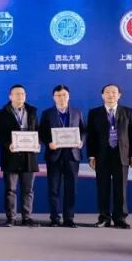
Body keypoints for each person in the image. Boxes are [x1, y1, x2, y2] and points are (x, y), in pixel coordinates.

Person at [87, 83, 132, 229]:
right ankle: (104, 218)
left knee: (120, 188)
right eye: (108, 92)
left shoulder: (128, 112)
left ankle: (120, 218)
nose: (111, 95)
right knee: (102, 187)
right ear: (102, 95)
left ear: (119, 95)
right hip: (101, 155)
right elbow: (91, 136)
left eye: (114, 92)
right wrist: (91, 156)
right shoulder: (94, 113)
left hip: (121, 154)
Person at [38, 85, 86, 228]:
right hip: (54, 155)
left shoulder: (77, 112)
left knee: (71, 189)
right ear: (53, 98)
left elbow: (83, 130)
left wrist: (81, 141)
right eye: (58, 95)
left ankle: (69, 218)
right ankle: (54, 218)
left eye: (64, 95)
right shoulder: (47, 113)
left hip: (72, 155)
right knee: (53, 189)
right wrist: (48, 143)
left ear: (69, 96)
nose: (61, 98)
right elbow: (42, 132)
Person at [0, 85, 39, 227]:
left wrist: (37, 143)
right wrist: (8, 145)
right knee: (10, 190)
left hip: (29, 156)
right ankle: (11, 217)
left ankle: (27, 217)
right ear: (10, 96)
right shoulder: (1, 114)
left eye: (23, 94)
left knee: (28, 190)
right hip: (10, 156)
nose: (20, 96)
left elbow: (37, 130)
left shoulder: (32, 111)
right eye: (17, 94)